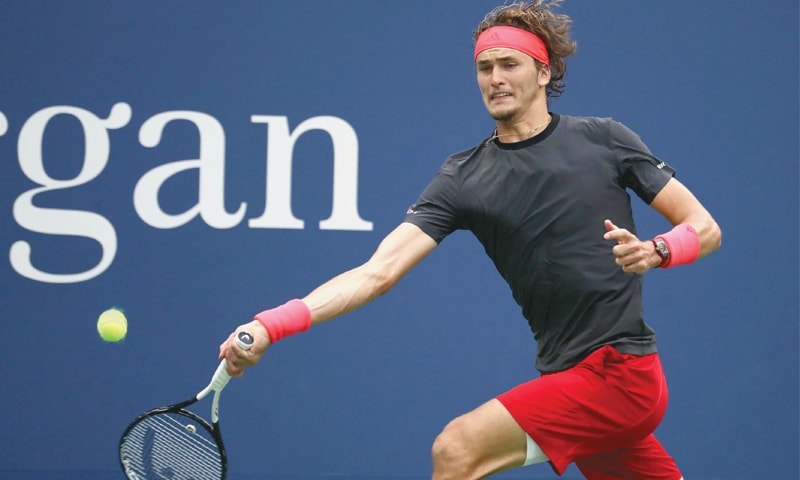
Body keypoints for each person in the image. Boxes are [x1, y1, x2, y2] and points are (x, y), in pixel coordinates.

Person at [219, 1, 722, 478]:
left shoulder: (604, 139)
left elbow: (704, 227)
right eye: (485, 67)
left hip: (619, 374)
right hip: (568, 376)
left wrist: (656, 250)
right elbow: (378, 273)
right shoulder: (463, 176)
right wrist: (270, 325)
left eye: (510, 64)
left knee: (456, 448)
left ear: (544, 72)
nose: (496, 78)